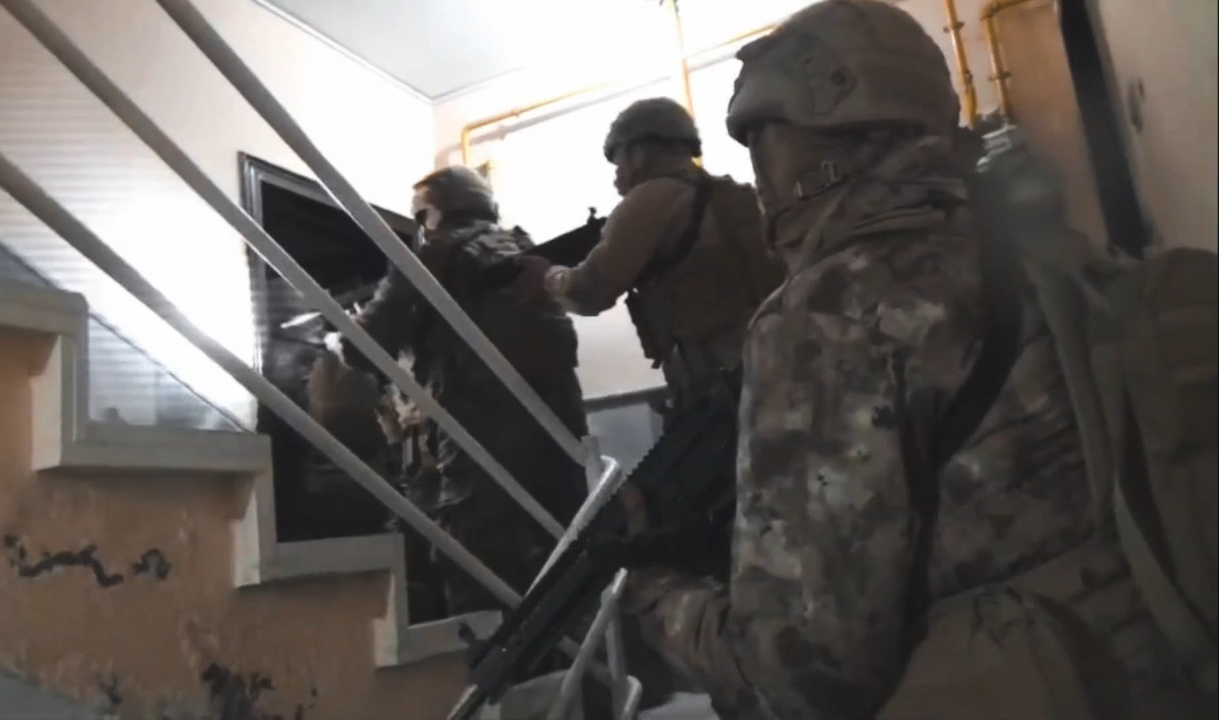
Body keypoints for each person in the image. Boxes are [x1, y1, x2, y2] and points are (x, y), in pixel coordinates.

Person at [614, 2, 1213, 719]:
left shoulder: (828, 311)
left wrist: (651, 597)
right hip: (1155, 667)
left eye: (763, 141)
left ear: (816, 136)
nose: (760, 176)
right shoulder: (1035, 243)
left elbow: (802, 675)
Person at [332, 165, 590, 617]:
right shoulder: (521, 247)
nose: (421, 225)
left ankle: (498, 662)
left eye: (421, 214)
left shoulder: (433, 255)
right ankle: (579, 657)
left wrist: (340, 337)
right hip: (558, 423)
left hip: (480, 427)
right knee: (564, 554)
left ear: (438, 211)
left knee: (477, 565)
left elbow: (364, 348)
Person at [515, 96, 783, 413]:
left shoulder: (651, 199)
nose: (617, 174)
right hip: (773, 360)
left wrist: (550, 277)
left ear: (638, 152)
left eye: (619, 162)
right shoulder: (731, 194)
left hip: (721, 383)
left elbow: (591, 290)